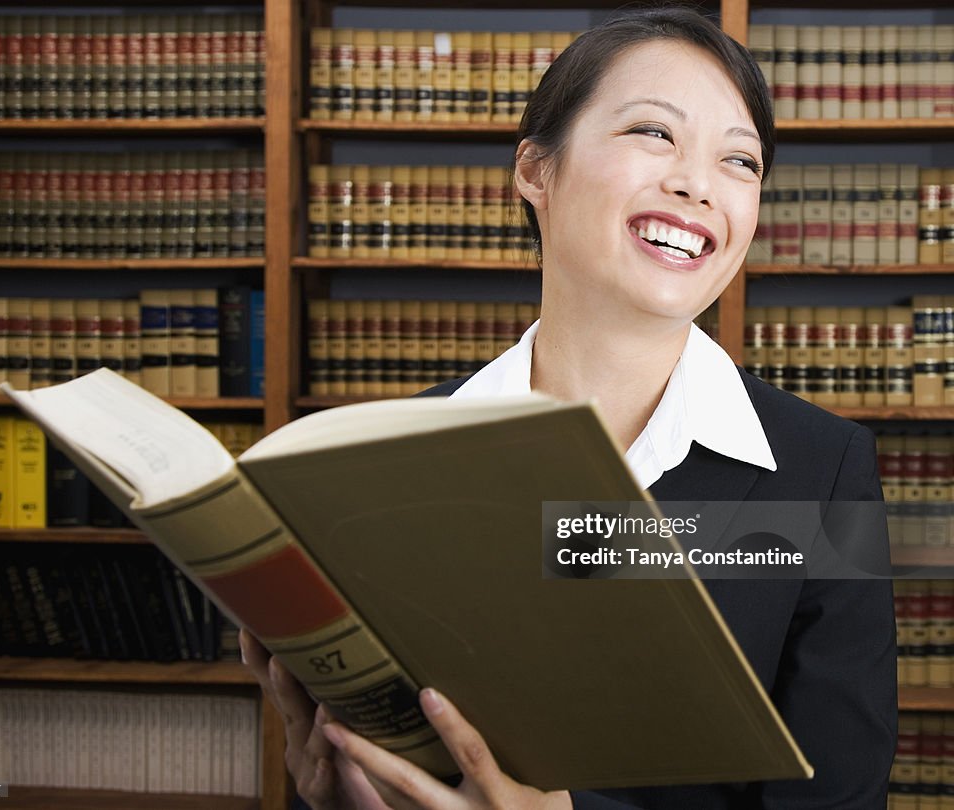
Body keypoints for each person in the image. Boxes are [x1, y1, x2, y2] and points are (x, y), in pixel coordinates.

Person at [240, 7, 898, 808]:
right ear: (535, 170)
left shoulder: (822, 470)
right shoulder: (388, 459)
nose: (697, 182)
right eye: (654, 133)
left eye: (740, 160)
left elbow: (839, 800)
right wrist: (327, 792)